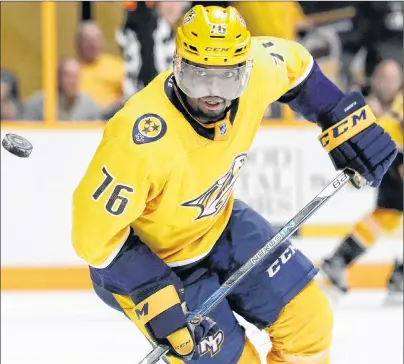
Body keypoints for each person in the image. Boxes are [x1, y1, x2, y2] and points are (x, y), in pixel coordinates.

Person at [72, 6, 397, 364]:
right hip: (157, 265)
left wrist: (340, 115)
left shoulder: (256, 68)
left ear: (244, 70)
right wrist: (149, 287)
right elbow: (93, 237)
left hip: (222, 226)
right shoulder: (139, 137)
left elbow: (297, 65)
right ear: (178, 66)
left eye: (227, 79)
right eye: (200, 78)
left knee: (309, 324)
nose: (214, 94)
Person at [322, 59, 403, 295]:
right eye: (383, 78)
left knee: (384, 217)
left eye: (393, 79)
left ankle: (339, 260)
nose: (388, 84)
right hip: (393, 157)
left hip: (392, 156)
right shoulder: (366, 101)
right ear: (375, 79)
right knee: (385, 216)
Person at [23, 58, 101, 121]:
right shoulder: (40, 102)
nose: (73, 82)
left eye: (76, 76)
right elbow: (25, 131)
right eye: (68, 76)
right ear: (58, 78)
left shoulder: (88, 104)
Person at [76, 21, 124, 113]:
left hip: (109, 118)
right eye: (88, 40)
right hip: (79, 121)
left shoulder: (116, 65)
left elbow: (130, 95)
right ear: (78, 43)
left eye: (96, 40)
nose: (93, 44)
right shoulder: (71, 70)